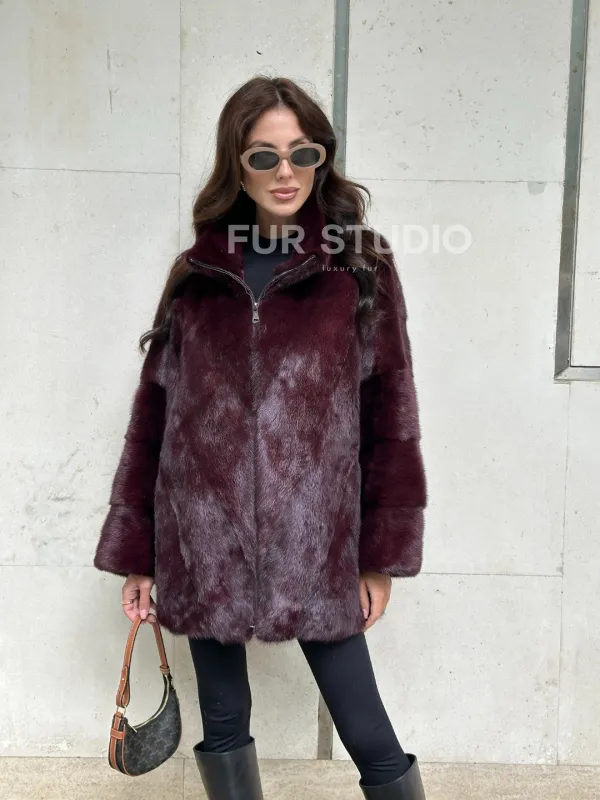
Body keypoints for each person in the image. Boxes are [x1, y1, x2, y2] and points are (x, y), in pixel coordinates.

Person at [93, 76, 428, 800]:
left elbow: (390, 419)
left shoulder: (357, 265)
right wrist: (139, 554)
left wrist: (380, 556)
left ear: (322, 159)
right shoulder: (196, 274)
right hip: (202, 540)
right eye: (264, 156)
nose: (285, 172)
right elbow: (153, 418)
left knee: (368, 732)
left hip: (317, 545)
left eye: (302, 153)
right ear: (236, 165)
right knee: (222, 723)